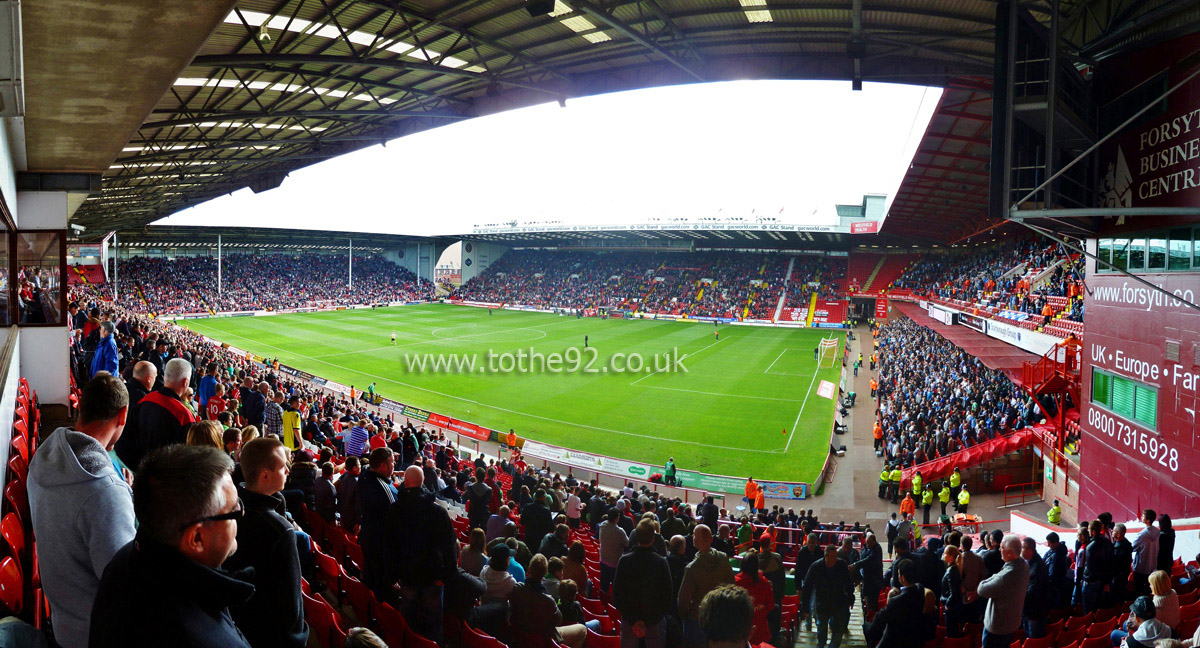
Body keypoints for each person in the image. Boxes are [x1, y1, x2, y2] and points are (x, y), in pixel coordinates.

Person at [89, 445, 251, 648]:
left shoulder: (125, 560)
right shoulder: (200, 638)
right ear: (197, 538)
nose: (242, 514)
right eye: (234, 510)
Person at [28, 374, 136, 648]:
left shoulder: (41, 456)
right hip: (94, 634)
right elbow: (126, 586)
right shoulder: (104, 491)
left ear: (81, 407)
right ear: (122, 415)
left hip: (63, 621)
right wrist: (126, 498)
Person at [224, 437, 309, 648]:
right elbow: (292, 611)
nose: (288, 470)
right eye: (283, 467)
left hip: (243, 627)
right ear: (265, 475)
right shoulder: (280, 531)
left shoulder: (231, 508)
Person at [385, 465, 458, 644]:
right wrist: (446, 576)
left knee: (408, 620)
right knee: (433, 624)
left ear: (406, 482)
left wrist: (393, 574)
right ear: (422, 482)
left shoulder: (394, 510)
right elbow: (450, 548)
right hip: (432, 578)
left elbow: (389, 545)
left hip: (407, 576)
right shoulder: (438, 513)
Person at [116, 357, 197, 472]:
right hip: (162, 479)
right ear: (185, 382)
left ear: (165, 377)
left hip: (137, 470)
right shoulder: (184, 416)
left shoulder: (145, 399)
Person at [614, 520, 674, 648]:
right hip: (654, 623)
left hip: (630, 623)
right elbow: (667, 597)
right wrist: (648, 622)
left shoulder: (624, 561)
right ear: (653, 539)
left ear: (636, 538)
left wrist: (633, 621)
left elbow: (617, 595)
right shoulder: (661, 562)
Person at [678, 524, 735, 648]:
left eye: (694, 534)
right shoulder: (723, 558)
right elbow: (732, 586)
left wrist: (685, 615)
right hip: (719, 615)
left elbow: (683, 601)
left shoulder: (692, 568)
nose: (692, 536)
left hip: (697, 619)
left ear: (696, 541)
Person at [358, 447, 398, 601]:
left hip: (367, 536)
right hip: (381, 546)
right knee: (383, 585)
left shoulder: (364, 476)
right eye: (392, 462)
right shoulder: (387, 491)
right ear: (383, 466)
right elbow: (395, 520)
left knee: (370, 575)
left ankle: (369, 604)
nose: (394, 465)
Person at [977, 535, 1030, 648]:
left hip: (997, 628)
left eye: (1001, 547)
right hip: (1012, 623)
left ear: (1010, 553)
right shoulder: (1024, 565)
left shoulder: (1004, 577)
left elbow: (981, 589)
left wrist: (994, 576)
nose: (999, 549)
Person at [802, 544, 855, 648]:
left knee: (838, 633)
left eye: (835, 557)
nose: (833, 559)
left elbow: (848, 583)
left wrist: (851, 598)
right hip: (822, 603)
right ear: (825, 556)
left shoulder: (841, 565)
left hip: (839, 603)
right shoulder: (815, 567)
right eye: (830, 557)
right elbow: (807, 587)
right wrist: (805, 607)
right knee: (821, 633)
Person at [865, 559, 924, 648]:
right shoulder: (920, 590)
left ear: (902, 578)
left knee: (868, 629)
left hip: (896, 640)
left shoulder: (895, 601)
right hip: (915, 638)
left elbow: (881, 619)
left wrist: (889, 600)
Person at [1022, 537, 1049, 639]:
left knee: (1034, 639)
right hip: (1033, 611)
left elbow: (1032, 592)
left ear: (1030, 550)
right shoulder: (1033, 563)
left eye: (1022, 548)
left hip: (1034, 612)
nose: (1021, 550)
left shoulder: (1036, 567)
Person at [853, 533, 885, 620]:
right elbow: (862, 557)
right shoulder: (866, 546)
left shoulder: (877, 549)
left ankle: (871, 620)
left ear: (874, 541)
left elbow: (868, 560)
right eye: (867, 543)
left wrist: (856, 565)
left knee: (872, 604)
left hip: (874, 582)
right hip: (866, 579)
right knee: (867, 600)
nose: (868, 545)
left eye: (870, 543)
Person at [1133, 510, 1162, 598]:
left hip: (1141, 567)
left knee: (1139, 591)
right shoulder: (1157, 532)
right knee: (1149, 590)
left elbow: (1133, 546)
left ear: (1148, 520)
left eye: (1143, 516)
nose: (1141, 517)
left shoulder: (1142, 534)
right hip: (1152, 566)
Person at [599, 509, 629, 593]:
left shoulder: (602, 525)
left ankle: (603, 599)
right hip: (614, 563)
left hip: (603, 558)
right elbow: (627, 544)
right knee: (615, 585)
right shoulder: (619, 531)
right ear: (617, 518)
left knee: (604, 584)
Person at [941, 545, 965, 638]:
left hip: (951, 608)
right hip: (954, 606)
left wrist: (947, 604)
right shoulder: (955, 568)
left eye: (945, 553)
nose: (943, 555)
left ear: (951, 556)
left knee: (951, 632)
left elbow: (953, 592)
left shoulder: (952, 571)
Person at [1044, 532, 1072, 610]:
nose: (1048, 546)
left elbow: (1052, 574)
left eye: (1049, 544)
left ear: (1055, 543)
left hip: (1054, 587)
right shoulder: (1052, 552)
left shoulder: (1057, 556)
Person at [337, 455, 362, 532]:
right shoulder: (357, 483)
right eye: (359, 465)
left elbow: (340, 498)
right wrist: (358, 522)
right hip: (353, 521)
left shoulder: (344, 478)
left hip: (344, 517)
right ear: (354, 468)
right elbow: (358, 504)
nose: (360, 467)